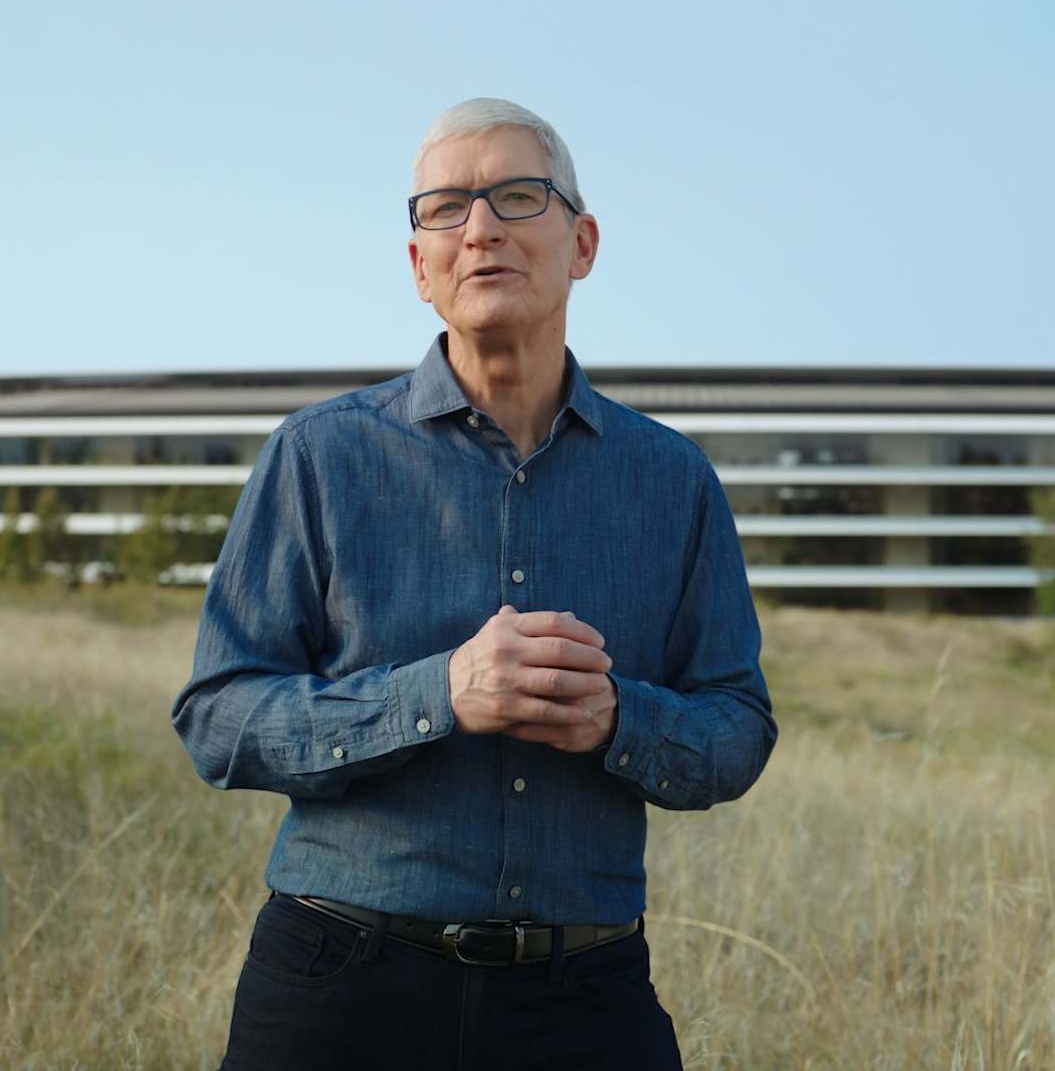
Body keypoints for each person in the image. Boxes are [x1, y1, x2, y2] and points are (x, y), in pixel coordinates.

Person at [172, 97, 776, 1071]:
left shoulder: (675, 483)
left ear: (582, 243)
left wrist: (619, 720)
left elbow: (739, 727)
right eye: (445, 209)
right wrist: (434, 696)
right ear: (420, 268)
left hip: (586, 1000)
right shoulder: (318, 457)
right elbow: (216, 717)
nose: (481, 227)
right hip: (341, 986)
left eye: (516, 196)